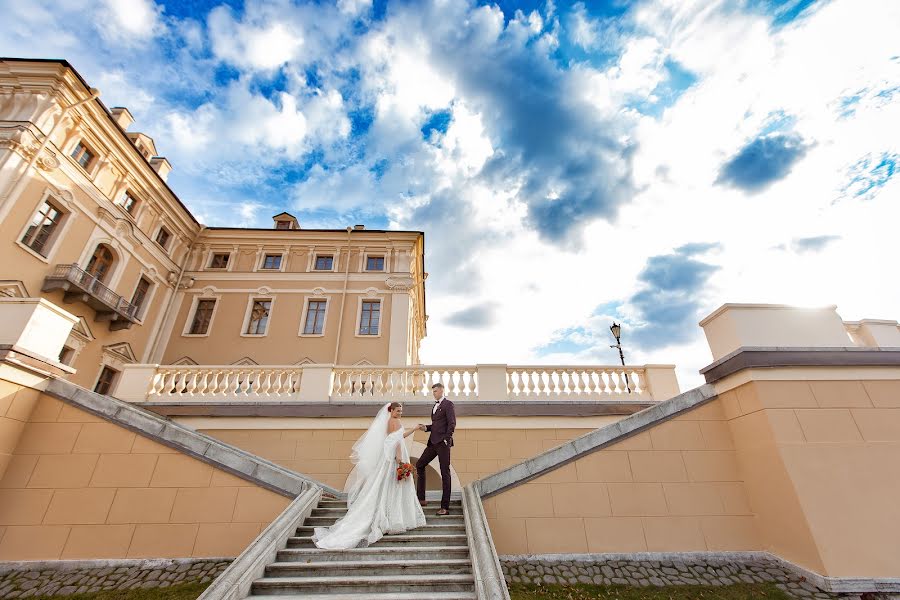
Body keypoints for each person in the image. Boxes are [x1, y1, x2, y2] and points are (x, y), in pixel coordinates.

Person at [313, 402, 426, 549]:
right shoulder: (395, 421)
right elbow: (397, 441)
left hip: (389, 455)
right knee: (394, 485)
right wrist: (399, 459)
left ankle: (390, 517)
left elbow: (395, 438)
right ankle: (394, 519)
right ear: (391, 410)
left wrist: (414, 429)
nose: (400, 413)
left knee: (387, 485)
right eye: (398, 411)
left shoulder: (388, 421)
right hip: (396, 456)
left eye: (401, 411)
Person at [416, 382, 456, 515]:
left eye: (435, 391)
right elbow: (436, 425)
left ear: (442, 391)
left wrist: (446, 438)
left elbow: (452, 423)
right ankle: (421, 498)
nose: (434, 393)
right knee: (420, 464)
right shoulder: (435, 406)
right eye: (433, 391)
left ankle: (445, 507)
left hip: (443, 443)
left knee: (445, 473)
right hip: (433, 442)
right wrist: (426, 428)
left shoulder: (448, 404)